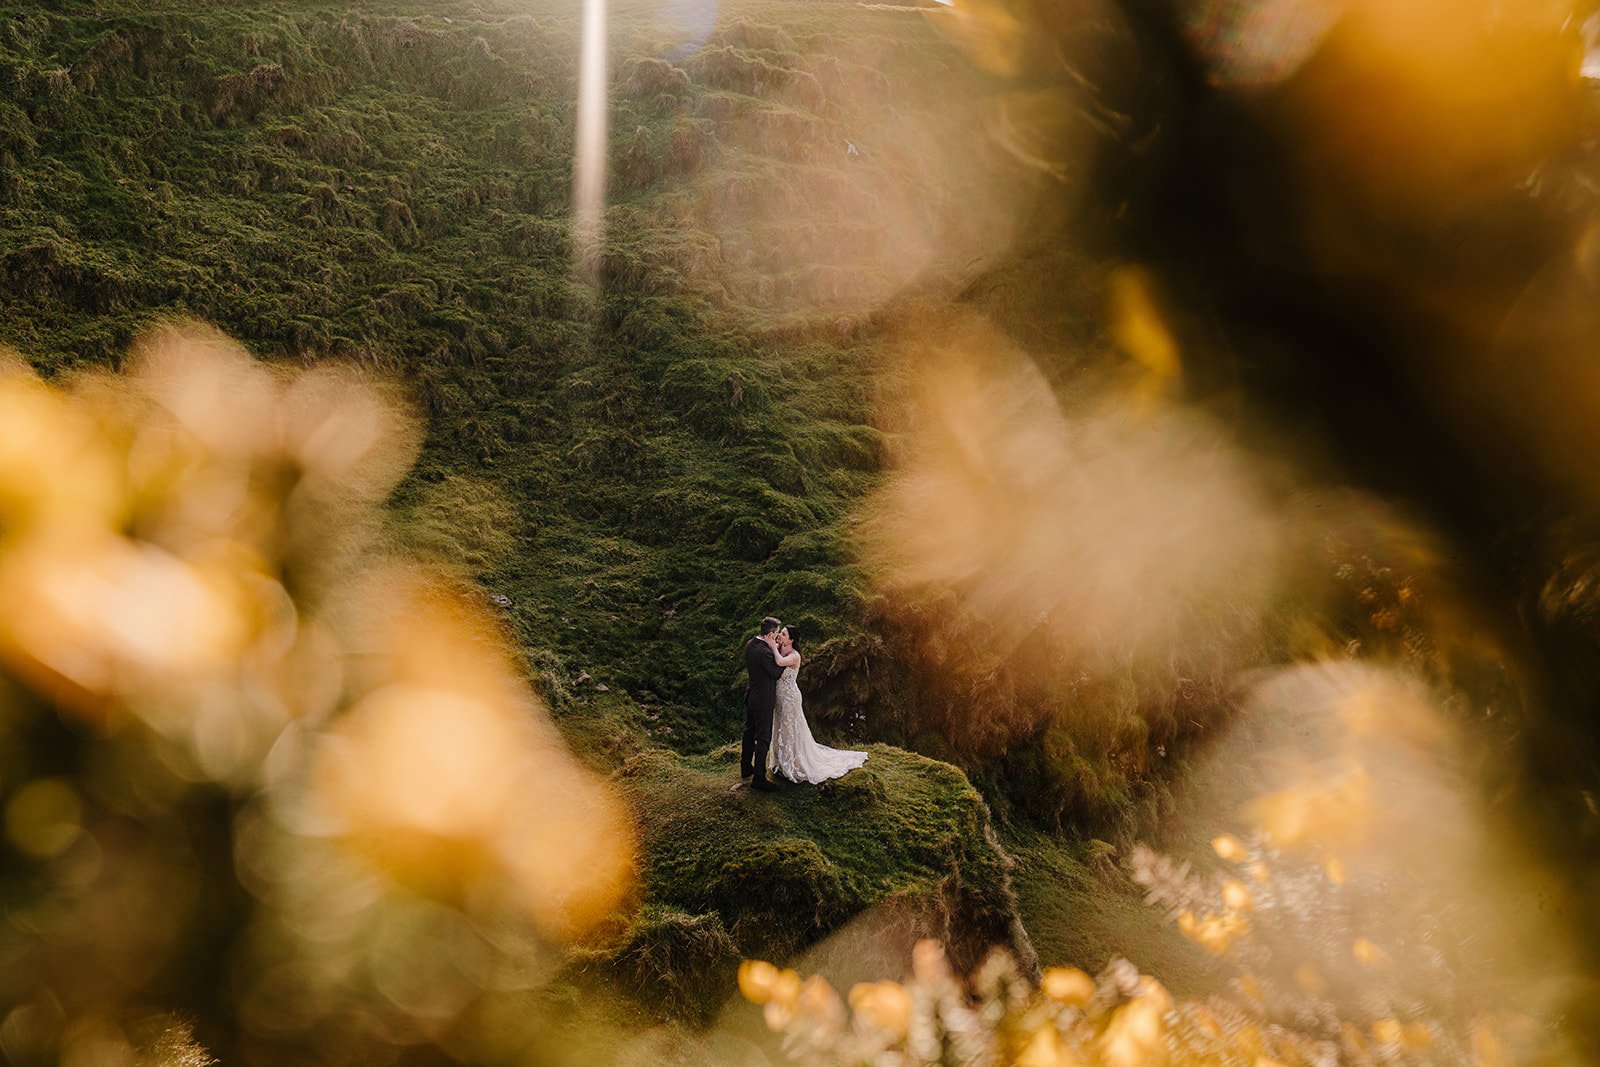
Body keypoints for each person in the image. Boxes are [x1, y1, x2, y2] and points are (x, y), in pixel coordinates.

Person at [767, 625, 868, 784]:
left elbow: (779, 662)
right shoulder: (780, 648)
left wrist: (773, 647)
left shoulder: (795, 656)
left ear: (791, 640)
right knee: (780, 726)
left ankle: (793, 764)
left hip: (789, 697)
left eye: (784, 633)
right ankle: (781, 762)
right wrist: (773, 643)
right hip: (778, 697)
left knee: (790, 728)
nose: (780, 634)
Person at [741, 616, 785, 791]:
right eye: (776, 634)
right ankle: (759, 778)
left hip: (751, 694)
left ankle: (745, 767)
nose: (777, 637)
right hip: (763, 700)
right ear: (770, 634)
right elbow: (775, 673)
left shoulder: (751, 643)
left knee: (749, 732)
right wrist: (781, 655)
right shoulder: (766, 652)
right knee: (763, 738)